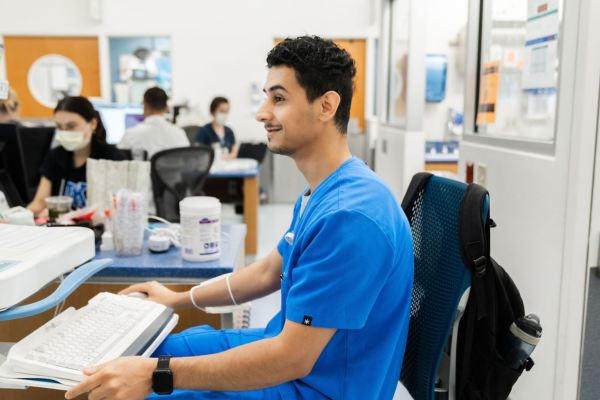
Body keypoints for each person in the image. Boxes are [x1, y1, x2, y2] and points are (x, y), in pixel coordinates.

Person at [65, 36, 414, 400]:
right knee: (156, 346)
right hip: (287, 353)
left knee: (136, 386)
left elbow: (290, 360)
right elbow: (267, 272)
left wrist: (158, 377)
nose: (262, 112)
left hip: (315, 387)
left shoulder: (351, 218)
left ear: (326, 105)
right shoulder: (323, 192)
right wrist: (177, 299)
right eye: (266, 96)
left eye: (278, 98)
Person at [27, 97, 124, 218]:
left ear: (93, 124)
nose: (64, 132)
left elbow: (117, 208)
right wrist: (18, 216)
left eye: (71, 126)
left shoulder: (111, 158)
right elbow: (40, 202)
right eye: (59, 126)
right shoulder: (54, 156)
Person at [118, 87, 190, 159]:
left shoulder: (131, 134)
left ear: (145, 104)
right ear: (166, 107)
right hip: (173, 170)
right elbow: (189, 161)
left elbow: (118, 162)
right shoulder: (179, 134)